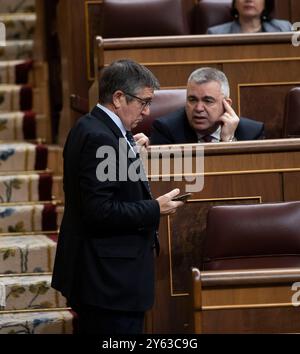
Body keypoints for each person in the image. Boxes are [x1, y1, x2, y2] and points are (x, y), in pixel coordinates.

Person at [51, 59, 183, 334]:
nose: (147, 112)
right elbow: (100, 210)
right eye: (143, 102)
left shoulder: (93, 127)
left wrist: (127, 148)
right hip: (108, 282)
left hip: (104, 278)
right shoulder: (101, 138)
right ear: (119, 97)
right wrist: (154, 208)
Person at [150, 67, 264, 145]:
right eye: (192, 100)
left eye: (208, 101)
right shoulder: (166, 129)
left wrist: (228, 141)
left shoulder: (251, 132)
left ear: (226, 104)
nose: (199, 108)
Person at [207, 0, 292, 34]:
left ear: (265, 3)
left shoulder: (284, 29)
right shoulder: (215, 33)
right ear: (235, 3)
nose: (248, 0)